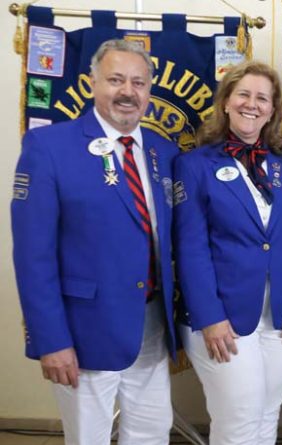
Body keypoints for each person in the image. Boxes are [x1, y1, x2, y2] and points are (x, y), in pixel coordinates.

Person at [11, 39, 178, 445]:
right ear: (91, 83)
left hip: (151, 327)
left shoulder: (165, 152)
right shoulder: (48, 147)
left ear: (149, 90)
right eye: (116, 80)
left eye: (138, 82)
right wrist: (51, 340)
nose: (128, 92)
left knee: (152, 433)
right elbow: (33, 256)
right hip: (84, 332)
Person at [173, 61, 282, 445]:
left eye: (262, 98)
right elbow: (190, 247)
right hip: (222, 314)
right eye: (243, 95)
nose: (252, 104)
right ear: (225, 102)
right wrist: (209, 316)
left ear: (272, 110)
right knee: (238, 417)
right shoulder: (193, 165)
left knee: (268, 413)